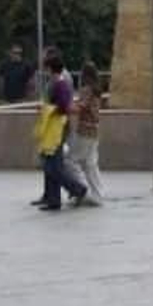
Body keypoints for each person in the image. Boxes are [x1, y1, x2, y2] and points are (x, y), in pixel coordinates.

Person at [32, 52, 88, 211]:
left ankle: (77, 189)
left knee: (53, 166)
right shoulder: (56, 82)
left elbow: (63, 106)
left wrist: (47, 109)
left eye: (46, 68)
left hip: (57, 128)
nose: (45, 71)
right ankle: (53, 199)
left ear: (51, 68)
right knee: (50, 163)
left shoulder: (61, 84)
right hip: (53, 127)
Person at [61, 59, 105, 207]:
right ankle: (98, 195)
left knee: (70, 160)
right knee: (91, 164)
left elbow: (79, 108)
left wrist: (63, 106)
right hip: (95, 131)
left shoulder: (86, 89)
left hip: (85, 131)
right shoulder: (97, 89)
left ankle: (82, 190)